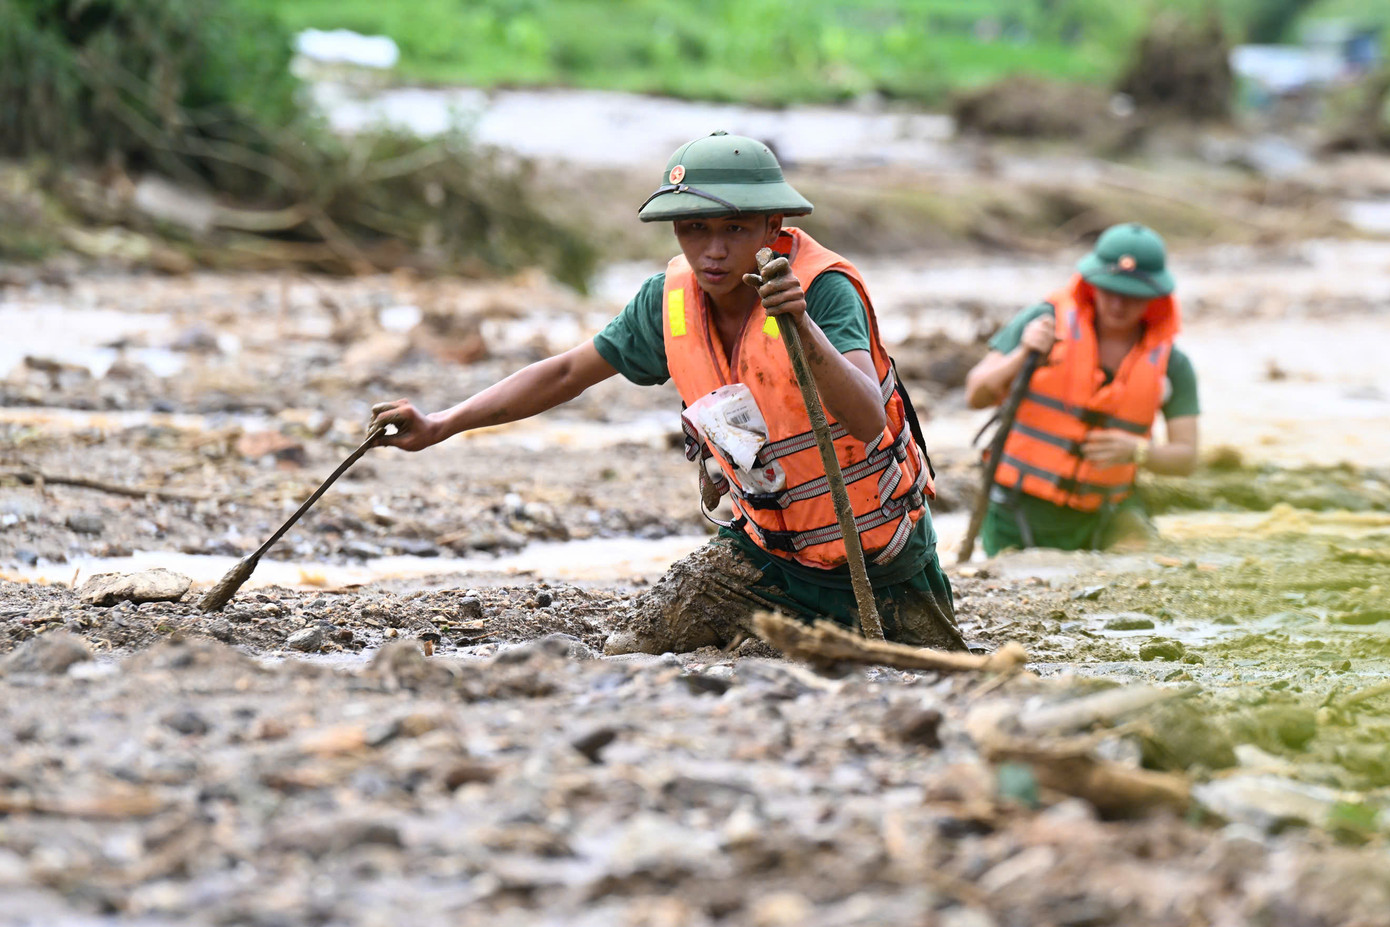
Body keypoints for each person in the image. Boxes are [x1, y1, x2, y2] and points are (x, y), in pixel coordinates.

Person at [369, 131, 965, 655]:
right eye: (694, 229)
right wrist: (442, 423)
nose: (713, 250)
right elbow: (565, 373)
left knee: (910, 664)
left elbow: (864, 420)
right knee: (634, 642)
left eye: (734, 229)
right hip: (770, 554)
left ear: (772, 227)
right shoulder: (667, 301)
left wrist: (802, 326)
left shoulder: (822, 291)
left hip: (880, 558)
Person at [962, 223, 1200, 556]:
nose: (1118, 303)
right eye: (1110, 289)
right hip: (1016, 509)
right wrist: (1022, 355)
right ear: (1091, 283)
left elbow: (1186, 457)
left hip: (1107, 514)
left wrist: (1138, 450)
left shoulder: (1172, 364)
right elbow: (975, 394)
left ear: (1155, 296)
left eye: (1132, 295)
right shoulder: (1043, 321)